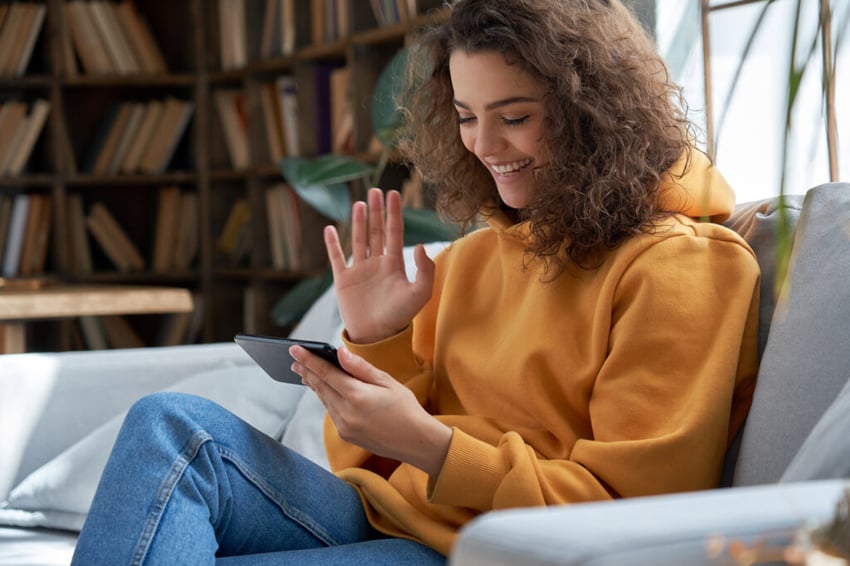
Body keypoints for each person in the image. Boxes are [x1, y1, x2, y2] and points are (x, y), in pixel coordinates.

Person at [71, 0, 760, 563]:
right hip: (390, 517)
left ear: (594, 111)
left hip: (497, 549)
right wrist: (379, 338)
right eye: (466, 117)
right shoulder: (469, 259)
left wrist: (431, 445)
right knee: (170, 428)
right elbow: (365, 462)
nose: (485, 146)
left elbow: (635, 515)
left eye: (514, 116)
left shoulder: (684, 268)